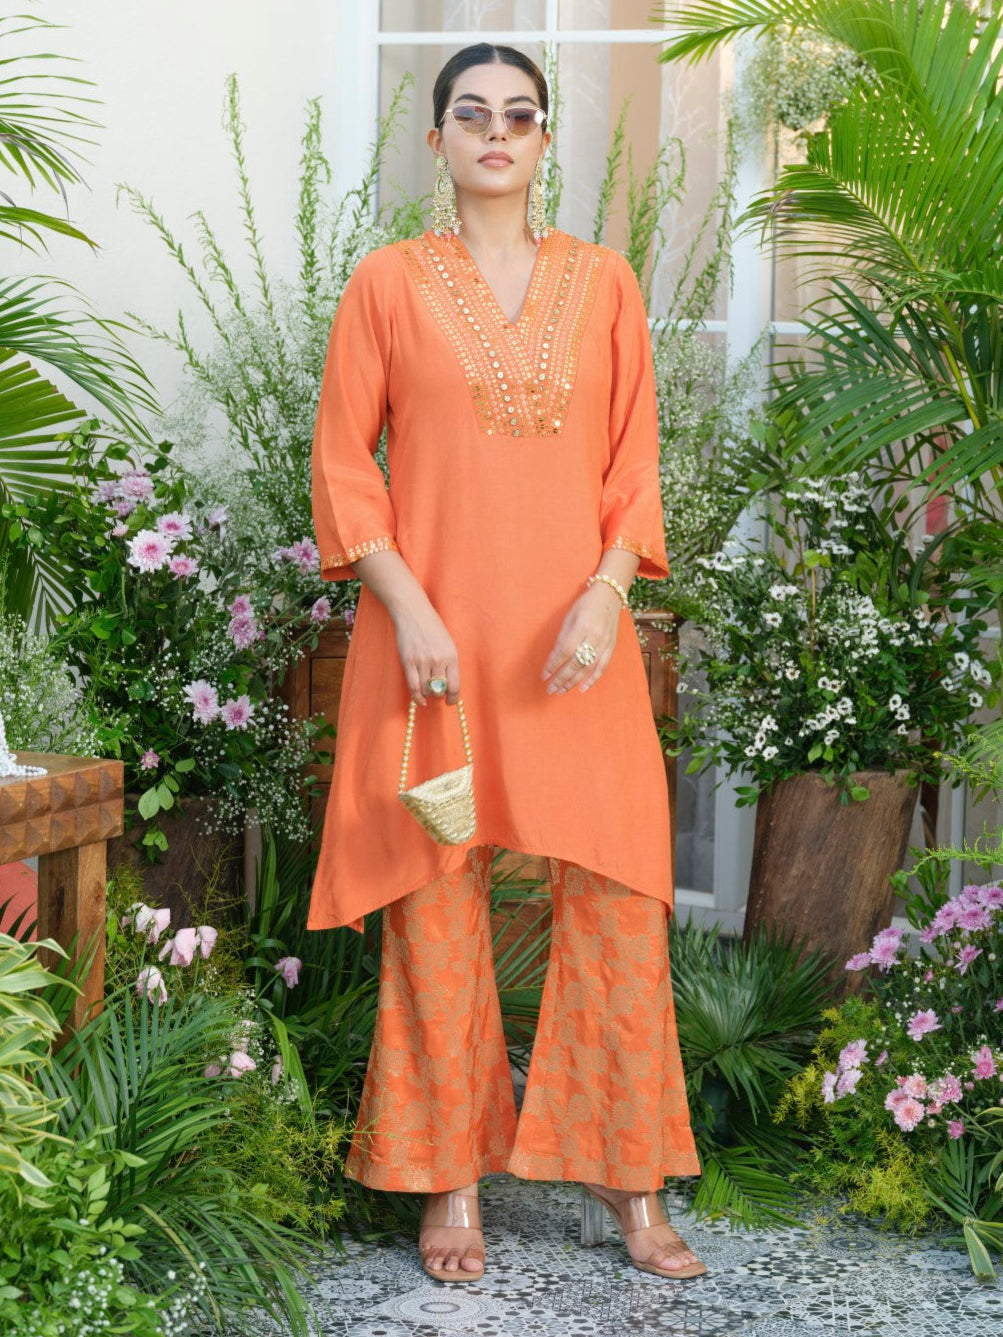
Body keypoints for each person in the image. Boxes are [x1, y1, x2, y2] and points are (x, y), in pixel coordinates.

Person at [308, 41, 706, 1286]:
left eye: (519, 115)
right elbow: (343, 463)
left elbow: (633, 461)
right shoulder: (387, 283)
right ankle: (452, 1178)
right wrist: (407, 608)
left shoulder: (605, 283)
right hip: (433, 643)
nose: (496, 131)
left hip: (574, 644)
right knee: (438, 888)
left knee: (619, 894)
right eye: (472, 114)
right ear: (437, 142)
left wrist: (608, 591)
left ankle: (631, 1178)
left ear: (541, 142)